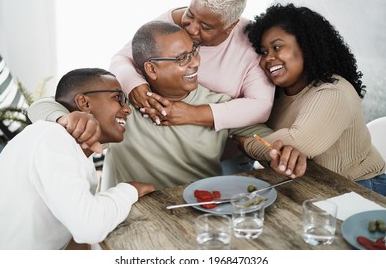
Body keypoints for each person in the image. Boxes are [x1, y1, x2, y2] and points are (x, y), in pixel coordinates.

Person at [28, 0, 275, 173]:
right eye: (189, 15)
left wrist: (191, 113)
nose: (190, 28)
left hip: (211, 176)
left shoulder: (225, 95)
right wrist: (135, 87)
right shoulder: (125, 103)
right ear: (150, 68)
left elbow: (259, 124)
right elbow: (121, 58)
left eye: (194, 51)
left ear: (230, 26)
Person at [101, 20, 306, 191]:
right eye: (182, 58)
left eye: (194, 51)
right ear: (152, 69)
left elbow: (259, 138)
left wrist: (280, 154)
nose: (196, 62)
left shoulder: (220, 104)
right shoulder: (118, 104)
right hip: (129, 218)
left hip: (199, 212)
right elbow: (74, 116)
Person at [235, 3, 386, 195]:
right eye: (264, 52)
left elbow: (293, 143)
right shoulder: (276, 93)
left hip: (360, 188)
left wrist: (243, 141)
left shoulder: (333, 93)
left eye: (277, 47)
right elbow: (271, 145)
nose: (268, 58)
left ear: (306, 46)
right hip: (313, 185)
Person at [0, 68, 155, 249]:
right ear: (83, 103)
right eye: (118, 98)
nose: (127, 109)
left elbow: (72, 234)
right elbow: (89, 227)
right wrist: (130, 190)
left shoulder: (74, 153)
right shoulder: (52, 136)